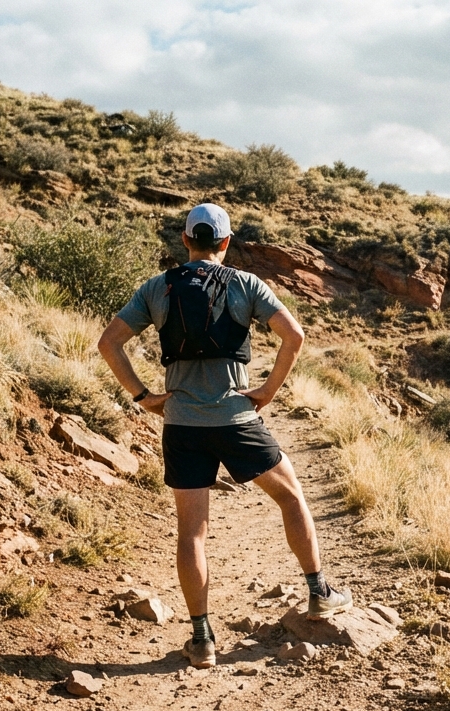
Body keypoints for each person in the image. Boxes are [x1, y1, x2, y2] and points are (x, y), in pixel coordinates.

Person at [97, 202, 352, 669]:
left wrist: (142, 396)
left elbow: (107, 342)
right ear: (227, 242)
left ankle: (201, 640)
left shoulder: (158, 287)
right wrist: (267, 392)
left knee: (192, 530)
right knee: (292, 498)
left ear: (185, 240)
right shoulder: (245, 284)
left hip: (181, 424)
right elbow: (293, 336)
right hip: (238, 421)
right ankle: (319, 593)